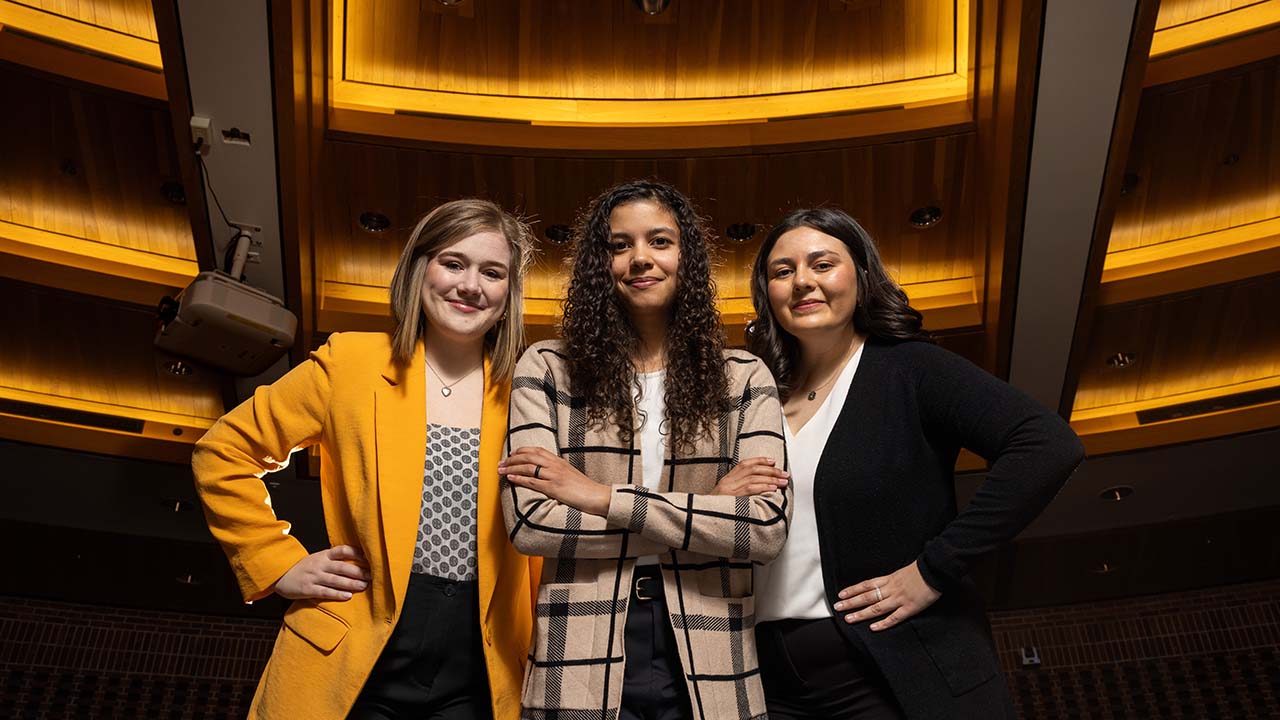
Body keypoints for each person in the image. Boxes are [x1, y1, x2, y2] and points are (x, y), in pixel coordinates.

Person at [192, 199, 541, 720]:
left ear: (508, 295)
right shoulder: (350, 363)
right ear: (419, 269)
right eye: (453, 263)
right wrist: (277, 563)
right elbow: (224, 451)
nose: (471, 285)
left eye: (492, 273)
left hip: (484, 666)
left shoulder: (530, 394)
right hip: (354, 649)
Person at [747, 207, 1085, 720]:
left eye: (822, 264)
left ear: (861, 277)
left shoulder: (909, 369)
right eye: (782, 271)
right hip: (771, 685)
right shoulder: (755, 398)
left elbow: (1047, 444)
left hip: (892, 673)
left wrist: (934, 569)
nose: (802, 283)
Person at [497, 180, 792, 720]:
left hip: (712, 639)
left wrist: (595, 495)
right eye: (618, 245)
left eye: (660, 241)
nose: (639, 259)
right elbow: (531, 524)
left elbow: (764, 530)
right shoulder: (545, 367)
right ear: (599, 262)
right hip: (579, 645)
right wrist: (708, 513)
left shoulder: (745, 377)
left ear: (686, 256)